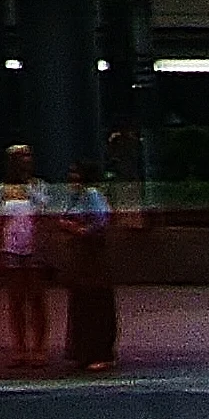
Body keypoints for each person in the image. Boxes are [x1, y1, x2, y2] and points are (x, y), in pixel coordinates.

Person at [59, 159, 118, 371]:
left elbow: (101, 221)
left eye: (76, 172)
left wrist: (77, 229)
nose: (72, 177)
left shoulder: (91, 194)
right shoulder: (74, 196)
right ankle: (83, 351)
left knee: (95, 303)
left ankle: (101, 351)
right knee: (81, 303)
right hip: (80, 258)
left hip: (93, 257)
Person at [0, 144, 49, 365]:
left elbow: (45, 210)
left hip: (33, 247)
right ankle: (19, 348)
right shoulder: (1, 189)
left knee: (37, 298)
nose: (25, 161)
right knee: (16, 300)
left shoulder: (39, 185)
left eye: (27, 156)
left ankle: (40, 348)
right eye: (20, 157)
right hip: (11, 248)